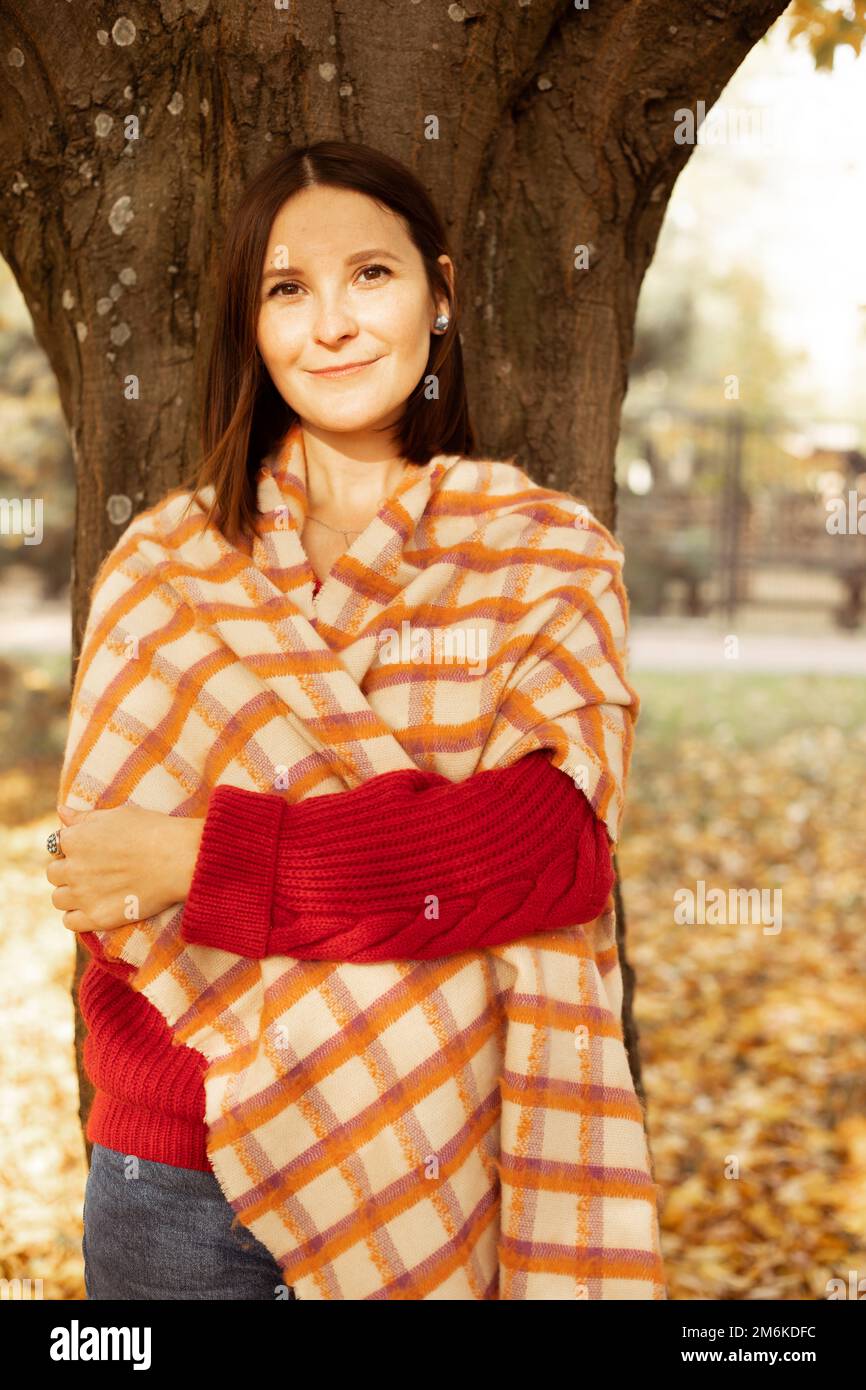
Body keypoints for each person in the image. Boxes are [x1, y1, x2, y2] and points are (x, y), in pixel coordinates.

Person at [47, 141, 653, 1300]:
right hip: (177, 1177)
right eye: (286, 289)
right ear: (251, 324)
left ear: (440, 293)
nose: (330, 324)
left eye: (368, 275)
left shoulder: (545, 554)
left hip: (439, 1149)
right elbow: (98, 876)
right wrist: (410, 849)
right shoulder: (167, 566)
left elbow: (546, 852)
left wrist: (203, 854)